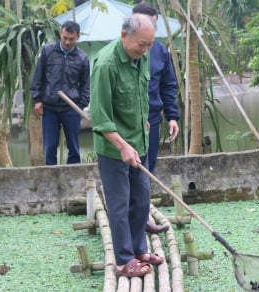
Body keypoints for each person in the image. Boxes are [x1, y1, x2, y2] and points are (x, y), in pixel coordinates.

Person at [89, 13, 164, 278]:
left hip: (138, 141)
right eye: (140, 44)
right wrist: (121, 145)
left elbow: (141, 93)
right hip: (113, 148)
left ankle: (138, 249)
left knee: (141, 198)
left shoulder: (140, 57)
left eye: (149, 44)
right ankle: (123, 260)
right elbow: (99, 116)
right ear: (124, 35)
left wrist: (143, 122)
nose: (145, 50)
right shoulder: (105, 65)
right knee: (120, 203)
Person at [132, 2, 180, 235]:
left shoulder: (160, 51)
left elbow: (168, 85)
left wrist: (172, 116)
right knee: (128, 169)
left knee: (147, 170)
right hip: (127, 121)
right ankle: (128, 221)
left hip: (152, 118)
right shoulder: (123, 49)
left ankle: (143, 218)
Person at [30, 21, 90, 165]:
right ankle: (52, 179)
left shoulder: (82, 58)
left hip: (71, 108)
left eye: (71, 39)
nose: (67, 42)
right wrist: (37, 100)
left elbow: (86, 86)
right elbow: (38, 77)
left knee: (74, 148)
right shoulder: (48, 51)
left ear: (78, 37)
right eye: (64, 38)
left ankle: (73, 180)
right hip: (49, 108)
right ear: (60, 35)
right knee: (50, 147)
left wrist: (80, 106)